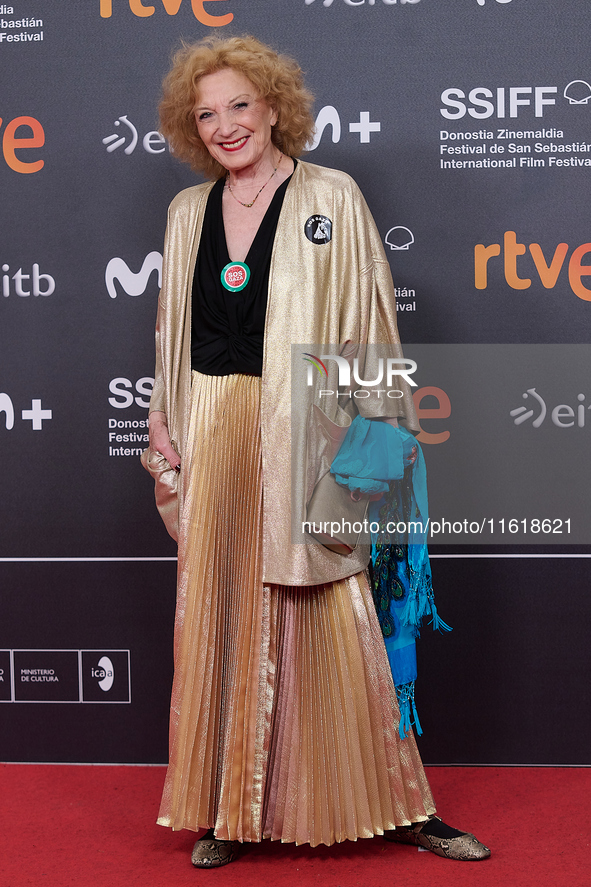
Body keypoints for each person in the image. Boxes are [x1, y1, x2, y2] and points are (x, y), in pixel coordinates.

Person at [145, 34, 490, 867]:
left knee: (333, 612)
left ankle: (398, 804)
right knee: (221, 613)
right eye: (207, 113)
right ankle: (231, 809)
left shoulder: (332, 194)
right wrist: (163, 420)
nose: (225, 125)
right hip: (214, 427)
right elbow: (169, 337)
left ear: (273, 106)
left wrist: (368, 447)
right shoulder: (188, 210)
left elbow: (371, 329)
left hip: (308, 429)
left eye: (239, 105)